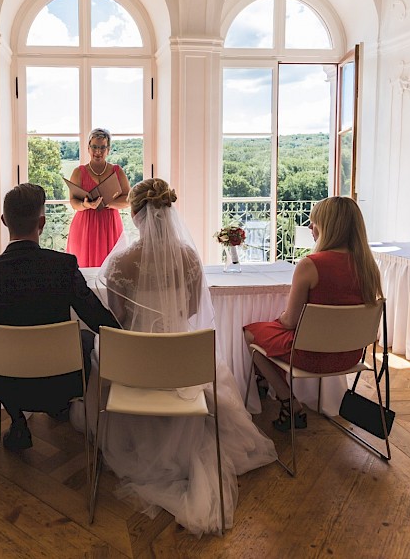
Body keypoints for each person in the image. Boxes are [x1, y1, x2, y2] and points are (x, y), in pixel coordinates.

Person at [95, 178, 276, 536]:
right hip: (183, 365)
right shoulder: (189, 257)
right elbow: (193, 309)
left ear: (134, 214)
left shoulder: (121, 261)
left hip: (137, 367)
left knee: (99, 357)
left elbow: (116, 318)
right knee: (204, 368)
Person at [0, 183, 120, 452]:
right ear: (42, 223)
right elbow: (97, 319)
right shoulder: (62, 267)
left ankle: (17, 419)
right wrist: (129, 335)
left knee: (1, 342)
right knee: (83, 338)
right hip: (59, 380)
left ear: (4, 221)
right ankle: (59, 407)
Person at [244, 196, 383, 432]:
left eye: (314, 222)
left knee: (251, 334)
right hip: (350, 356)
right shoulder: (369, 266)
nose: (310, 227)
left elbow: (290, 322)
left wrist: (279, 318)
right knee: (274, 337)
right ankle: (278, 394)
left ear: (329, 227)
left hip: (311, 356)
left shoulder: (310, 264)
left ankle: (288, 400)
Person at [66, 128, 131, 267]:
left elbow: (128, 199)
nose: (98, 151)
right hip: (85, 225)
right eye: (94, 147)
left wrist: (108, 203)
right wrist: (86, 205)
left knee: (112, 270)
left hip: (110, 224)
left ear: (108, 149)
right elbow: (73, 202)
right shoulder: (79, 172)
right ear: (88, 148)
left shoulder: (117, 171)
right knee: (84, 271)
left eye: (102, 147)